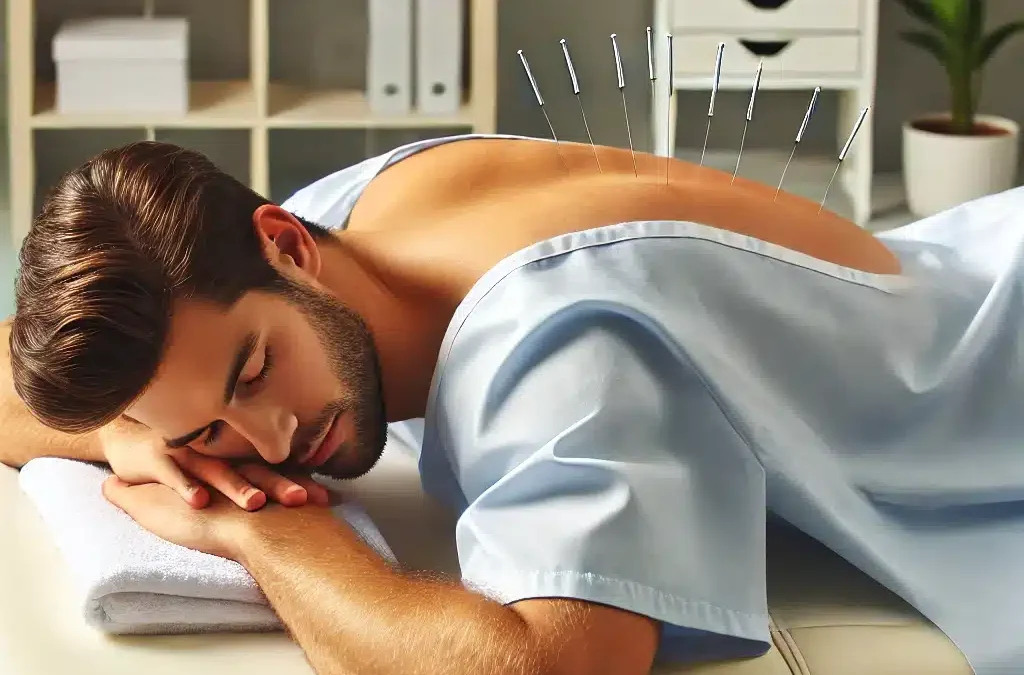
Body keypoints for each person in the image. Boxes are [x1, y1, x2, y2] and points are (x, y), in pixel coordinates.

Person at [1, 131, 1021, 675]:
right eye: (212, 430)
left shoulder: (553, 342)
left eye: (256, 373)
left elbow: (547, 671)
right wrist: (130, 429)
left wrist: (256, 531)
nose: (271, 444)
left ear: (287, 248)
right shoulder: (340, 224)